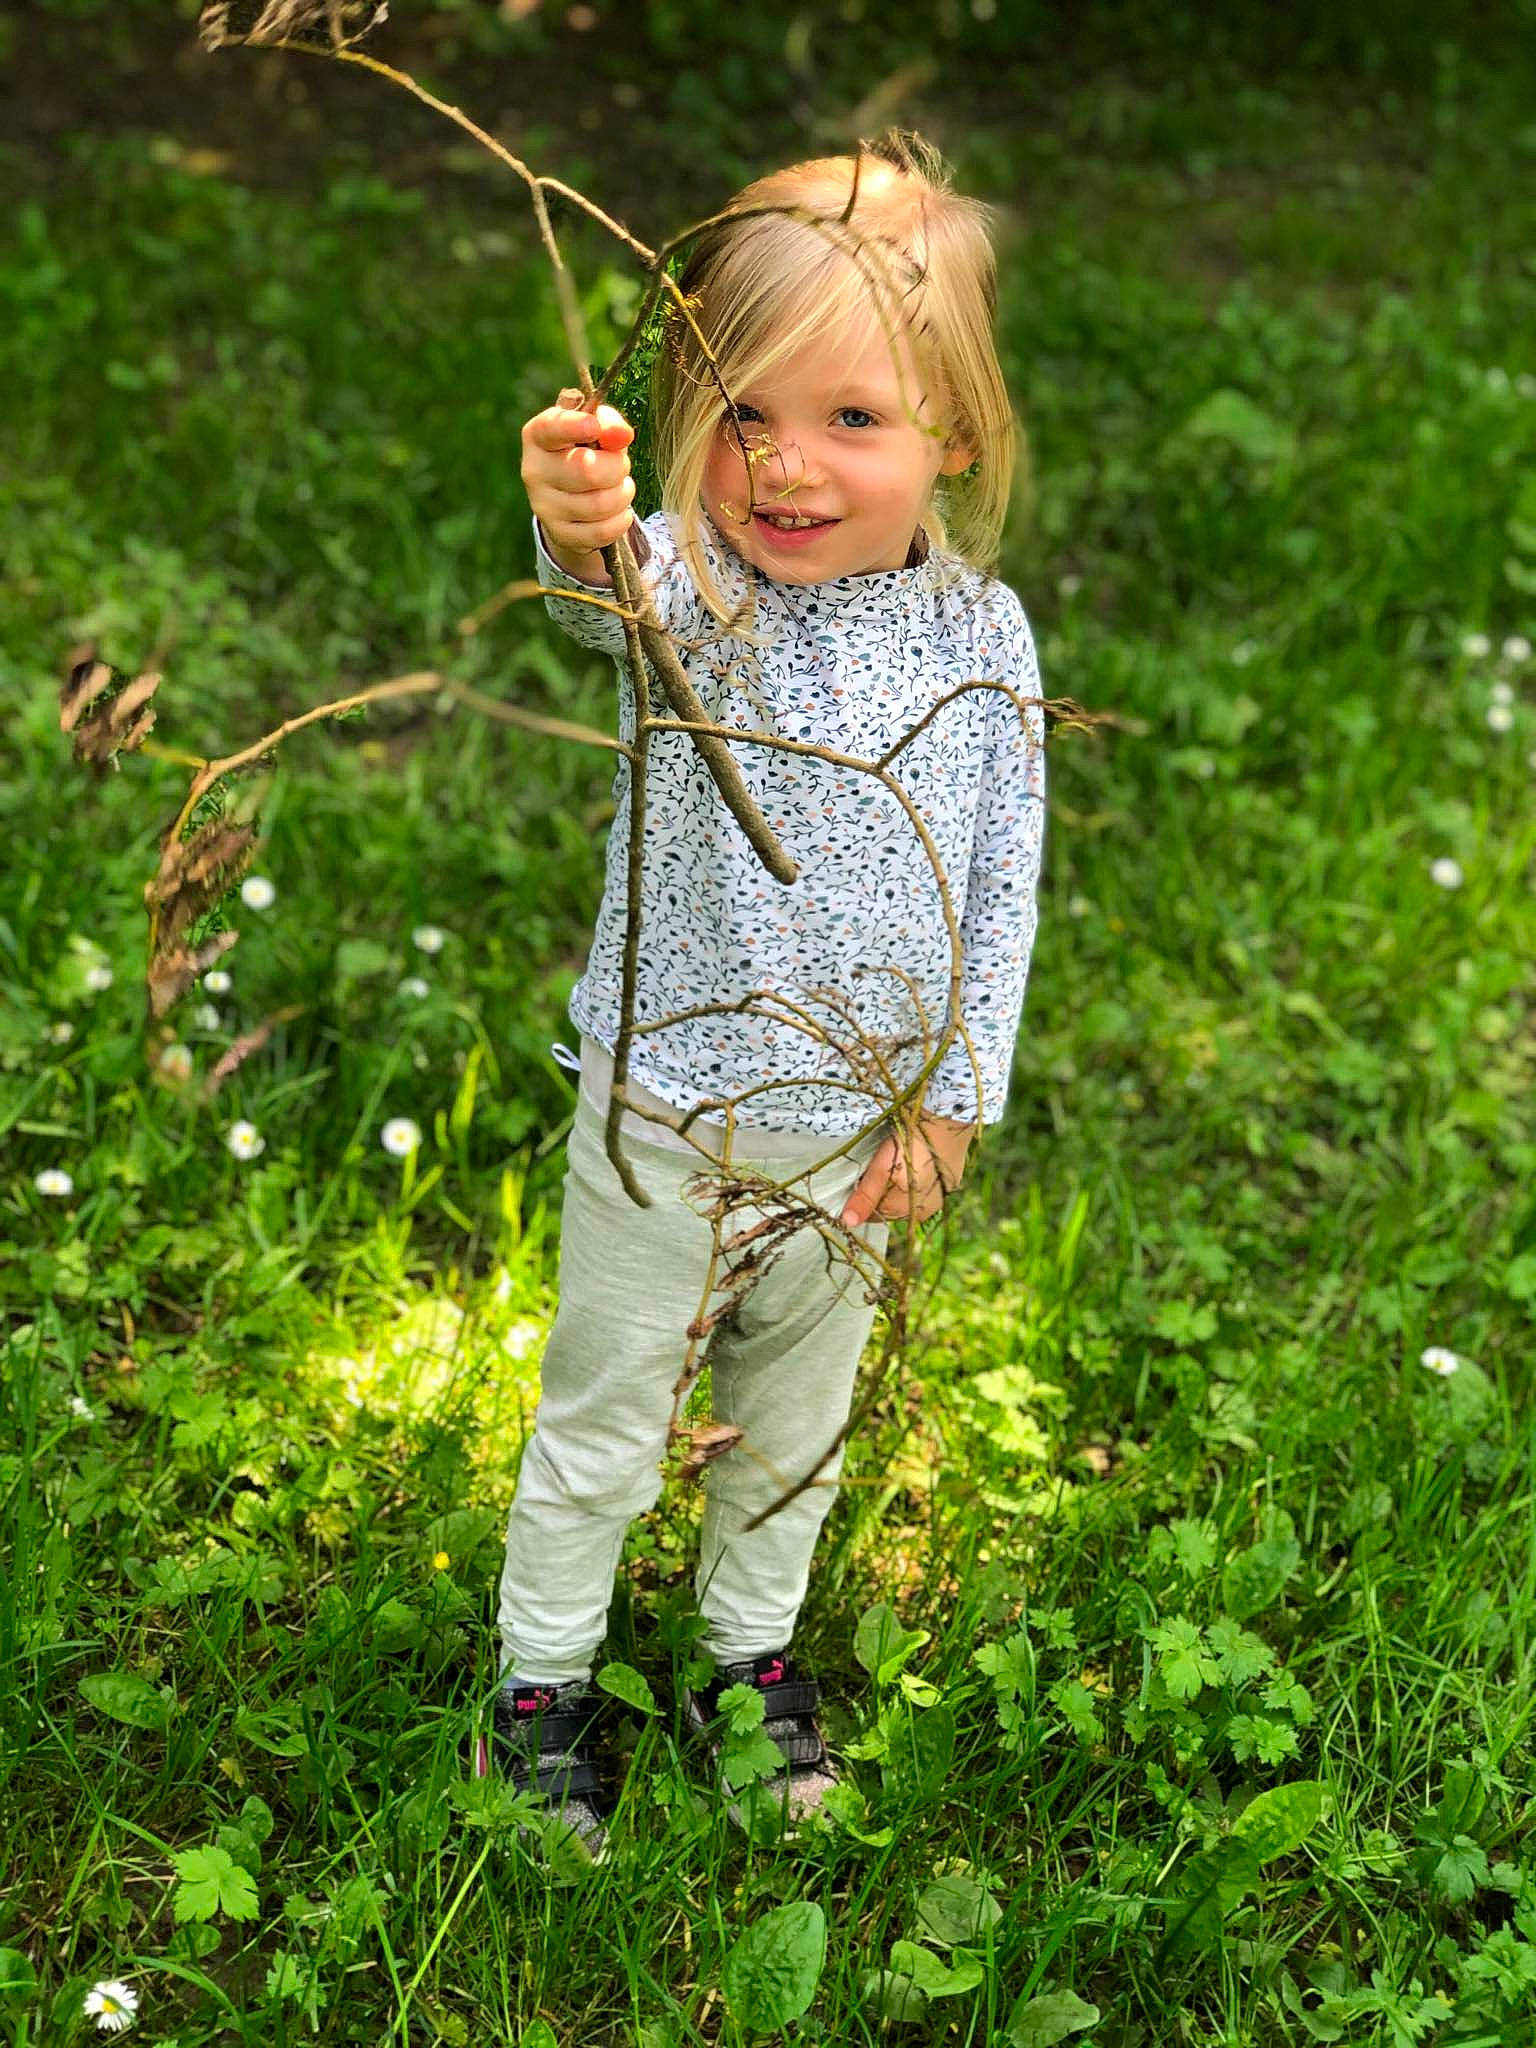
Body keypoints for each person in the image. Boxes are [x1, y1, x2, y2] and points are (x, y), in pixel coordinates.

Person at [492, 131, 1047, 1853]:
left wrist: (958, 1094)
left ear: (954, 433)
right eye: (742, 415)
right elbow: (604, 589)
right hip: (668, 1098)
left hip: (853, 1129)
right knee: (610, 1400)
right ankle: (540, 1688)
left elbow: (1006, 880)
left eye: (854, 421)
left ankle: (746, 1661)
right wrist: (577, 511)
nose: (786, 465)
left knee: (794, 1420)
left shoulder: (985, 637)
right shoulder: (697, 592)